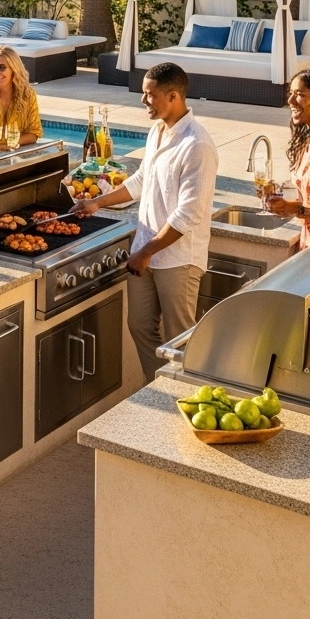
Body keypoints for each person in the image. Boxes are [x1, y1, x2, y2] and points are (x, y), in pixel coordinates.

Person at [72, 62, 218, 384]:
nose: (143, 101)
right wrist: (97, 201)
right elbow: (141, 180)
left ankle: (185, 399)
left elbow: (187, 215)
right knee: (139, 325)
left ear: (173, 96)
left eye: (149, 95)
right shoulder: (157, 131)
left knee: (179, 338)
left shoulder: (197, 146)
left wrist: (147, 251)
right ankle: (160, 390)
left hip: (177, 258)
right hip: (147, 248)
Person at [266, 70, 310, 245]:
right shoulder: (305, 141)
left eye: (299, 94)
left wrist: (294, 208)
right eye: (291, 93)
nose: (290, 101)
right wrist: (280, 199)